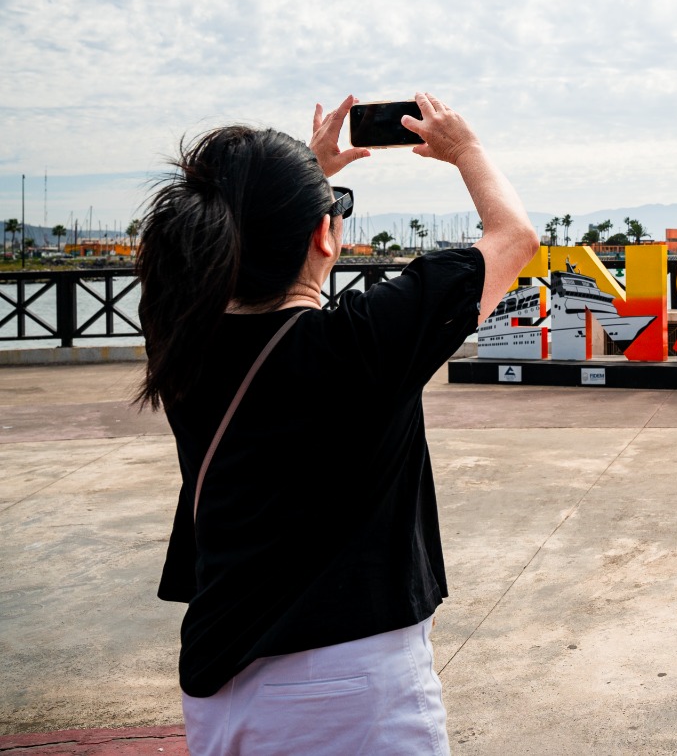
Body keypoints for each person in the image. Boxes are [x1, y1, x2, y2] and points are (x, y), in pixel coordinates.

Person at [137, 93, 537, 755]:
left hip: (216, 683)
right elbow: (514, 238)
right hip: (346, 694)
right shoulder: (360, 343)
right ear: (324, 236)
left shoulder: (179, 344)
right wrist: (465, 149)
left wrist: (304, 179)